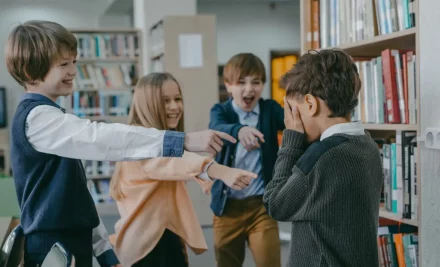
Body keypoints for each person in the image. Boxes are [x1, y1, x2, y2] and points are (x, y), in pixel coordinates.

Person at [5, 20, 235, 267]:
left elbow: (77, 199)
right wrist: (183, 140)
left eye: (74, 62)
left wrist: (104, 252)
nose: (73, 71)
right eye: (64, 64)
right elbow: (100, 138)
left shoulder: (53, 116)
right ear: (30, 71)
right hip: (52, 248)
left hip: (69, 245)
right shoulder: (37, 118)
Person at [109, 72, 257, 267]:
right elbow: (171, 162)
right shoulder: (142, 143)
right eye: (165, 100)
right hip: (147, 247)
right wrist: (220, 171)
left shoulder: (152, 140)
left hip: (160, 238)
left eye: (177, 99)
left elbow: (173, 166)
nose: (174, 106)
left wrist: (206, 178)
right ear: (147, 104)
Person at [263, 49, 383, 267]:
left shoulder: (322, 158)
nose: (289, 119)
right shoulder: (367, 145)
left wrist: (290, 141)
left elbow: (275, 203)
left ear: (310, 104)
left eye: (291, 110)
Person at [209, 53, 284, 267]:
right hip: (227, 207)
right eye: (241, 83)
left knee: (270, 262)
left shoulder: (270, 109)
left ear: (263, 85)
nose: (249, 89)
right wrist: (239, 130)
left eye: (256, 82)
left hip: (261, 206)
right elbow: (216, 127)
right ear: (228, 86)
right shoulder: (220, 111)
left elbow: (292, 125)